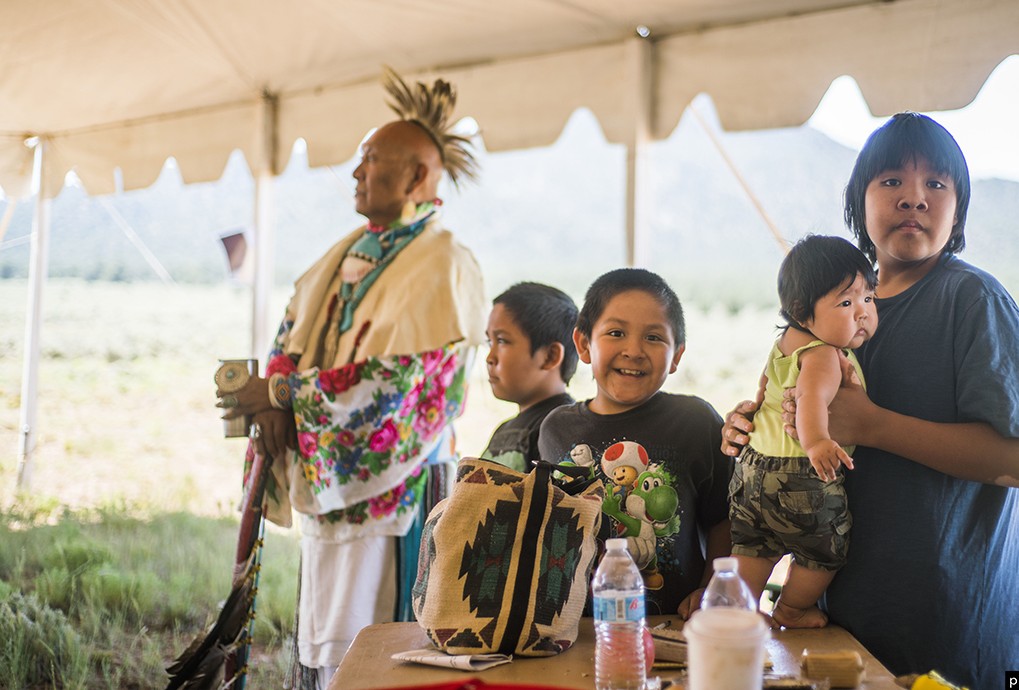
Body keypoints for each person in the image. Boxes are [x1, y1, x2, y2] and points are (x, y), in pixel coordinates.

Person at [721, 113, 1019, 690]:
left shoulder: (974, 301)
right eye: (891, 181)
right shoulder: (838, 310)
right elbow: (807, 401)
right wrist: (753, 425)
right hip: (842, 613)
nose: (913, 198)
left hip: (945, 625)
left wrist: (871, 425)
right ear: (858, 203)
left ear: (958, 208)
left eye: (936, 185)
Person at [221, 72, 487, 689]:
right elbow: (291, 338)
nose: (356, 173)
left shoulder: (444, 262)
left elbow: (416, 388)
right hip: (329, 482)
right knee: (323, 634)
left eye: (371, 160)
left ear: (418, 176)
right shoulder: (343, 252)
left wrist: (289, 396)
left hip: (388, 493)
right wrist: (272, 400)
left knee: (373, 648)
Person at [538, 268, 733, 617]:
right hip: (577, 628)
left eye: (654, 338)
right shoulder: (556, 429)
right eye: (616, 332)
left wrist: (710, 592)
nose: (634, 350)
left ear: (676, 356)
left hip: (675, 623)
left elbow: (725, 519)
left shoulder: (696, 422)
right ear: (584, 344)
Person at [729, 235, 877, 630]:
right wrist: (816, 442)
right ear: (801, 311)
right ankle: (791, 609)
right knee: (824, 550)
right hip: (801, 475)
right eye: (846, 303)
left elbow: (762, 394)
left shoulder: (783, 344)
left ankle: (739, 612)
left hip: (751, 470)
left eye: (868, 299)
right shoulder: (825, 354)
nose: (862, 312)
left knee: (754, 546)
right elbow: (811, 396)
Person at [480, 282, 579, 472]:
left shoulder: (562, 430)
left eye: (502, 341)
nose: (489, 358)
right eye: (489, 342)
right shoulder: (505, 430)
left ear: (550, 356)